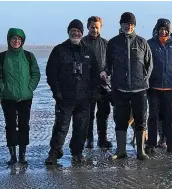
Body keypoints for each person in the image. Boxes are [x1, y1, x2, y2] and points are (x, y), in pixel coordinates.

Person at [44, 19, 100, 165]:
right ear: (69, 32)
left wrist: (94, 93)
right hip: (65, 98)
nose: (75, 33)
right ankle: (54, 153)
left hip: (84, 99)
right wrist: (56, 92)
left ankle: (77, 153)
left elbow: (96, 74)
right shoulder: (59, 50)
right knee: (60, 127)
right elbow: (51, 73)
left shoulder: (89, 51)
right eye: (73, 31)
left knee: (81, 128)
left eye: (78, 31)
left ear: (82, 33)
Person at [102, 12, 154, 160]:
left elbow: (149, 64)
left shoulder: (142, 42)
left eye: (131, 24)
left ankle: (140, 151)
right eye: (125, 23)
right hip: (120, 88)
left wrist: (144, 80)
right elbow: (108, 64)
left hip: (140, 89)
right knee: (120, 119)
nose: (128, 26)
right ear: (121, 25)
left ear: (134, 25)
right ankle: (121, 151)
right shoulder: (113, 43)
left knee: (140, 119)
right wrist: (106, 73)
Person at [0, 27, 39, 165]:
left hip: (26, 97)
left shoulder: (28, 56)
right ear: (9, 40)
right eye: (14, 38)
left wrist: (30, 88)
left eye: (19, 39)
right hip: (8, 97)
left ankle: (22, 155)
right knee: (10, 126)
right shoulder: (2, 57)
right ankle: (12, 155)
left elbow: (36, 74)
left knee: (24, 125)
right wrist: (3, 88)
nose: (16, 41)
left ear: (23, 41)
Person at [146, 18, 172, 154]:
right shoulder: (149, 44)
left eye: (165, 30)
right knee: (153, 117)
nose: (163, 32)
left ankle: (171, 143)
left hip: (169, 87)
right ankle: (150, 144)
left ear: (169, 31)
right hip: (153, 87)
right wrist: (145, 82)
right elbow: (144, 64)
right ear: (157, 30)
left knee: (169, 117)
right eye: (160, 29)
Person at [82, 16, 112, 149]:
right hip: (87, 86)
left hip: (103, 85)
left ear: (101, 28)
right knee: (88, 114)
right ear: (88, 27)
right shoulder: (82, 43)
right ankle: (89, 140)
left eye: (97, 27)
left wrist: (106, 72)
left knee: (103, 113)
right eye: (92, 27)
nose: (94, 29)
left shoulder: (106, 44)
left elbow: (111, 64)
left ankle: (102, 139)